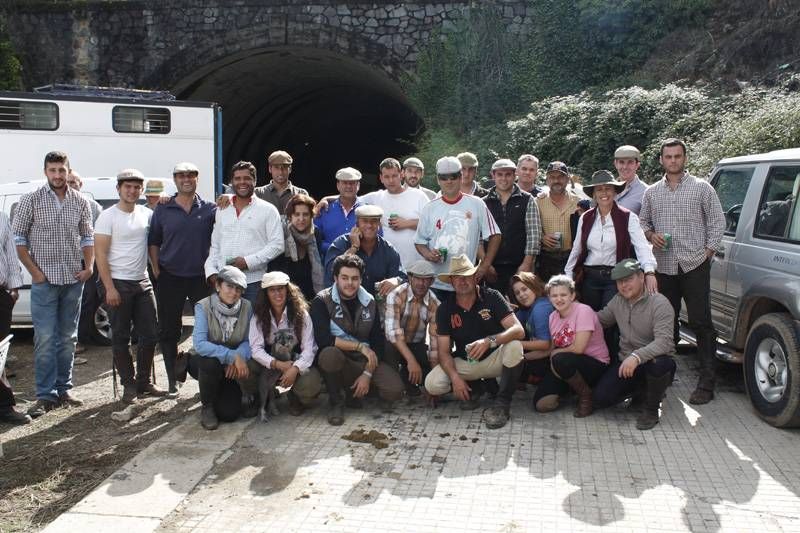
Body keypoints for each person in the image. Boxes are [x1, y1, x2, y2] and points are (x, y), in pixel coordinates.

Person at [639, 138, 725, 405]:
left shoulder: (702, 188)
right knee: (667, 321)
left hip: (694, 264)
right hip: (664, 265)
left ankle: (707, 382)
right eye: (668, 156)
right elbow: (642, 222)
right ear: (661, 160)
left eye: (677, 156)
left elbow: (717, 222)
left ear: (684, 158)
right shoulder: (652, 192)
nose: (673, 160)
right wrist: (651, 235)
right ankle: (666, 375)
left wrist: (708, 252)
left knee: (701, 322)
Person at [13, 151, 94, 417]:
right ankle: (45, 395)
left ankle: (64, 389)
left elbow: (87, 237)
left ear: (68, 171)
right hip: (44, 281)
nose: (57, 175)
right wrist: (35, 273)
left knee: (68, 337)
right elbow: (19, 240)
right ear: (45, 172)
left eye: (61, 170)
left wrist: (89, 266)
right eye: (52, 170)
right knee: (45, 338)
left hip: (73, 279)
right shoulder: (31, 200)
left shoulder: (80, 201)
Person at [424, 255, 525, 429]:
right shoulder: (445, 309)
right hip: (467, 362)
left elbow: (519, 330)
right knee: (432, 384)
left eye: (467, 275)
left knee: (515, 346)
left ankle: (502, 404)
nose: (462, 281)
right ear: (451, 282)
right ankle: (475, 387)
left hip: (494, 357)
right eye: (457, 277)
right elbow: (443, 352)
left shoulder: (492, 296)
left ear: (475, 277)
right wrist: (455, 378)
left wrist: (490, 341)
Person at [94, 169, 166, 406]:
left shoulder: (146, 214)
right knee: (121, 337)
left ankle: (144, 381)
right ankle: (129, 384)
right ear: (119, 189)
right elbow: (100, 255)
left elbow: (155, 240)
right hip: (118, 282)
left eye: (137, 187)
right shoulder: (107, 216)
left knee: (150, 334)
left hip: (142, 281)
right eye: (128, 187)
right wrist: (109, 288)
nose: (132, 191)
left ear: (142, 190)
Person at [149, 161, 216, 397]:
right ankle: (172, 380)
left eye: (190, 175)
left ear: (197, 178)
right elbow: (154, 240)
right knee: (168, 331)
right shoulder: (163, 208)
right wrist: (156, 268)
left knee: (208, 328)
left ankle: (205, 377)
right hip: (170, 277)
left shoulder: (210, 208)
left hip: (201, 278)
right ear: (175, 179)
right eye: (181, 175)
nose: (186, 179)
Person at [311, 254, 404, 426]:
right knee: (329, 354)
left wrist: (367, 375)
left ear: (361, 279)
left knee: (395, 391)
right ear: (335, 278)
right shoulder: (321, 301)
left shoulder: (369, 301)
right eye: (344, 278)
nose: (350, 283)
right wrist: (360, 346)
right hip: (340, 357)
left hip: (364, 360)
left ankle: (357, 391)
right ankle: (336, 401)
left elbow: (376, 343)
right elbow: (324, 339)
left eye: (355, 278)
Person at [592, 259, 677, 430]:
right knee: (601, 398)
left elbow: (664, 342)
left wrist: (636, 356)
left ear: (641, 277)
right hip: (626, 362)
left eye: (628, 279)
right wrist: (574, 312)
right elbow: (599, 320)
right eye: (619, 282)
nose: (623, 285)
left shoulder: (659, 303)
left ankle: (652, 409)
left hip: (652, 361)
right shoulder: (618, 301)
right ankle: (640, 391)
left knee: (660, 363)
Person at [565, 170, 657, 313]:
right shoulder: (586, 217)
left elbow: (642, 247)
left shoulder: (628, 217)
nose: (604, 193)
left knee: (609, 321)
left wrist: (649, 272)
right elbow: (577, 249)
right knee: (590, 320)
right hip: (589, 278)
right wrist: (568, 277)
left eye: (608, 188)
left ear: (615, 191)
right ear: (594, 194)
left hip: (616, 279)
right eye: (599, 189)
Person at [414, 156, 500, 299]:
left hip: (466, 281)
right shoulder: (429, 208)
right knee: (438, 321)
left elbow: (495, 235)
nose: (449, 181)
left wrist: (484, 266)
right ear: (438, 179)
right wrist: (428, 254)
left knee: (468, 321)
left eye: (453, 176)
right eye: (444, 177)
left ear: (460, 177)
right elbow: (419, 241)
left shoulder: (477, 204)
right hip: (435, 283)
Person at [187, 266, 258, 430]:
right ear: (218, 285)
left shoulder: (247, 307)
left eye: (238, 289)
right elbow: (200, 344)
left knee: (229, 414)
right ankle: (207, 406)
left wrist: (239, 356)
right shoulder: (203, 306)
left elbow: (249, 340)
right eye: (229, 286)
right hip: (205, 362)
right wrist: (232, 356)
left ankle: (220, 391)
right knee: (209, 362)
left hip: (232, 366)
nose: (234, 293)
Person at [204, 161, 284, 303]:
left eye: (247, 178)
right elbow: (215, 245)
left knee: (252, 324)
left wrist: (247, 262)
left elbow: (277, 245)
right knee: (223, 325)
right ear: (231, 182)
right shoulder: (222, 209)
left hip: (253, 283)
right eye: (238, 178)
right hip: (223, 282)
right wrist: (211, 272)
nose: (242, 182)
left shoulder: (268, 210)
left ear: (255, 180)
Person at [249, 271, 321, 420]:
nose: (277, 294)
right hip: (269, 363)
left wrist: (294, 368)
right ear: (266, 293)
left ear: (288, 290)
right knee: (248, 364)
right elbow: (255, 349)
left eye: (281, 288)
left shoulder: (301, 314)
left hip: (294, 360)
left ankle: (294, 396)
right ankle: (260, 397)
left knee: (311, 382)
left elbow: (310, 348)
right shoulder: (258, 316)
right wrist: (277, 364)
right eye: (272, 290)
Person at [536, 275, 609, 417]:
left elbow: (578, 348)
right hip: (567, 365)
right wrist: (523, 356)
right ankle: (570, 390)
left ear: (572, 295)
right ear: (549, 298)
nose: (559, 299)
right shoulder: (552, 317)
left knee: (560, 359)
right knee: (541, 404)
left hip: (594, 364)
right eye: (554, 295)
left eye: (563, 295)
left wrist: (555, 354)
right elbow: (552, 347)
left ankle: (585, 395)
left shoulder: (584, 311)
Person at [482, 158, 541, 295]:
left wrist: (526, 264)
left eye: (508, 174)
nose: (504, 178)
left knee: (520, 305)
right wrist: (486, 265)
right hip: (492, 267)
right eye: (500, 174)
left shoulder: (527, 199)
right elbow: (479, 237)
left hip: (519, 265)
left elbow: (534, 235)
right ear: (493, 175)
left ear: (514, 175)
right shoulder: (483, 202)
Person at [384, 260, 440, 398]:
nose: (421, 283)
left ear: (432, 281)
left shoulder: (435, 304)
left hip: (415, 345)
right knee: (389, 347)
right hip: (393, 345)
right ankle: (396, 378)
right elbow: (393, 334)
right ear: (410, 278)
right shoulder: (396, 294)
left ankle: (408, 379)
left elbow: (434, 344)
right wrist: (411, 361)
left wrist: (433, 383)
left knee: (437, 376)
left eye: (426, 280)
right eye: (418, 278)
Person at [360, 158, 429, 268]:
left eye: (394, 176)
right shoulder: (377, 197)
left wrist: (406, 223)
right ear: (381, 178)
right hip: (387, 265)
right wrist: (326, 199)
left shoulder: (418, 196)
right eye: (387, 177)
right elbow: (350, 199)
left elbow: (432, 224)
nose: (391, 180)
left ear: (401, 175)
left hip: (415, 264)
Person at [324, 205, 404, 297]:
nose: (369, 225)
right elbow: (331, 273)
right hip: (342, 302)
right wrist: (354, 247)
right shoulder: (341, 243)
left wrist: (396, 280)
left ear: (379, 224)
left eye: (374, 221)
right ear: (356, 224)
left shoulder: (387, 249)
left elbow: (403, 277)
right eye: (365, 221)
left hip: (375, 305)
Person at [66, 169, 101, 358]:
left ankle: (81, 337)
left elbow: (98, 234)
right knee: (68, 301)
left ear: (81, 184)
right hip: (67, 261)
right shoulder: (59, 204)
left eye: (75, 182)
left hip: (87, 260)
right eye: (68, 182)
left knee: (87, 300)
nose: (71, 185)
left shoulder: (93, 206)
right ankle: (71, 340)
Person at [267, 194, 325, 301]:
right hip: (283, 293)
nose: (301, 219)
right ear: (290, 216)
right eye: (297, 214)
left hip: (309, 293)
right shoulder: (281, 233)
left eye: (305, 214)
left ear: (311, 216)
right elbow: (273, 267)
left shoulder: (315, 233)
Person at [0, 211, 29, 424]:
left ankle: (4, 407)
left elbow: (10, 254)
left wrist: (14, 287)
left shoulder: (1, 217)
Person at [536, 161, 582, 283]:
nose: (556, 180)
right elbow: (529, 228)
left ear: (567, 179)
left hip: (571, 258)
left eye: (560, 177)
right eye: (552, 177)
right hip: (546, 259)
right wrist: (541, 237)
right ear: (547, 180)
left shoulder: (578, 202)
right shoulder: (538, 202)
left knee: (572, 295)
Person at [508, 272, 553, 387]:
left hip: (550, 357)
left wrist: (514, 344)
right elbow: (511, 327)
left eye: (525, 289)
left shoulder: (541, 308)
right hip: (539, 353)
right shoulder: (527, 308)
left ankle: (535, 378)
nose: (521, 295)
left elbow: (545, 344)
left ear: (534, 286)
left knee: (510, 350)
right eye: (517, 293)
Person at [314, 167, 364, 257]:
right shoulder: (324, 209)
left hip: (359, 265)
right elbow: (314, 240)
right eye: (344, 183)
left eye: (352, 183)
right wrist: (336, 249)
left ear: (358, 185)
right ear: (338, 185)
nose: (348, 186)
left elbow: (376, 240)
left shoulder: (366, 211)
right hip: (329, 264)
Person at [613, 145, 648, 215]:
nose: (625, 167)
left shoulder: (646, 192)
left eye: (630, 162)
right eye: (621, 162)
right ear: (615, 164)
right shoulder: (607, 189)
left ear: (637, 165)